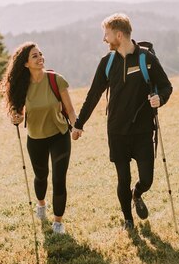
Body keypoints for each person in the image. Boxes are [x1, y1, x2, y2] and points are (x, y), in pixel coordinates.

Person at [72, 13, 173, 230]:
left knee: (147, 179)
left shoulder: (146, 59)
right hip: (117, 131)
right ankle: (128, 220)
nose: (104, 40)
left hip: (143, 130)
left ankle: (137, 194)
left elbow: (166, 86)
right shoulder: (107, 63)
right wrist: (79, 123)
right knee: (122, 179)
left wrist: (160, 99)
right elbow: (93, 95)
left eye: (106, 34)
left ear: (119, 35)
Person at [0, 42, 76, 234]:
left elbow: (71, 110)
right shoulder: (22, 87)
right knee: (41, 177)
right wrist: (15, 118)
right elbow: (18, 114)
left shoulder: (56, 80)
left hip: (60, 135)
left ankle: (58, 222)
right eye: (34, 56)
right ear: (25, 63)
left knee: (59, 179)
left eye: (40, 54)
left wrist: (76, 126)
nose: (40, 57)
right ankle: (41, 204)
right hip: (36, 138)